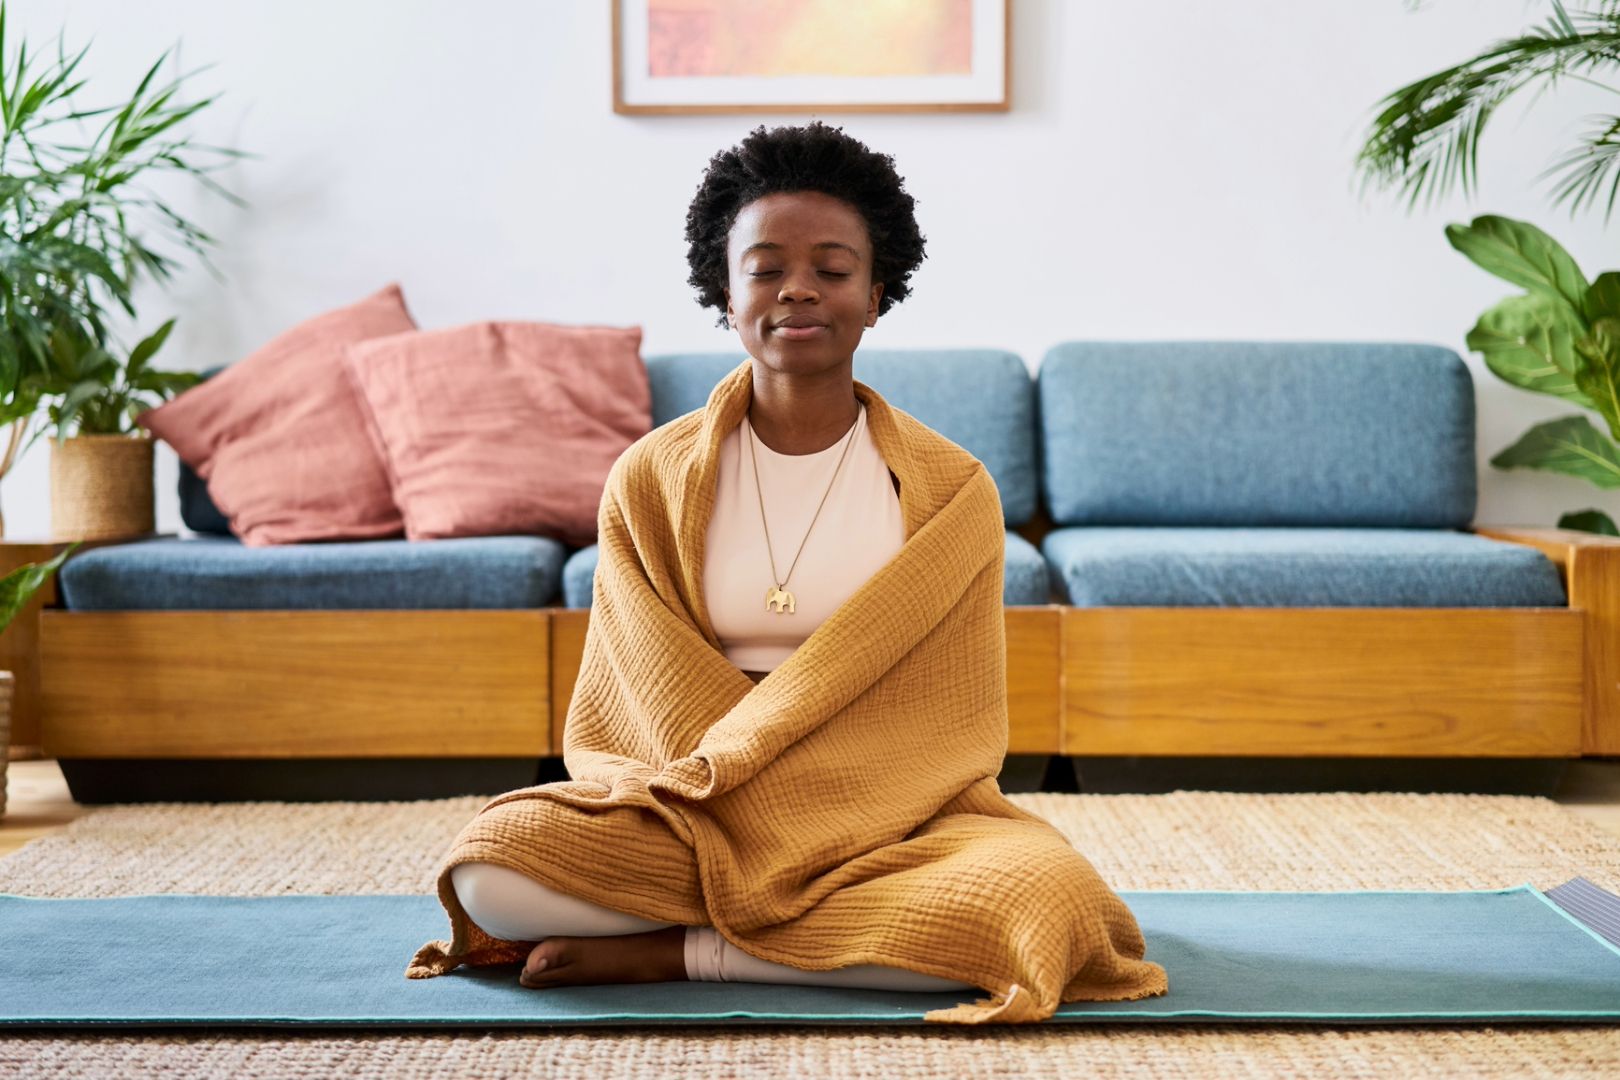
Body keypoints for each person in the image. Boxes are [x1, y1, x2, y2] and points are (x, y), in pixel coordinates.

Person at [448, 120, 975, 993]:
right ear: (725, 295)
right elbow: (632, 699)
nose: (797, 291)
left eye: (832, 271)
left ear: (877, 293)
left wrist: (820, 798)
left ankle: (686, 950)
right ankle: (803, 928)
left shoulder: (951, 491)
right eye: (766, 270)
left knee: (1030, 901)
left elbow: (953, 717)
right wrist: (732, 789)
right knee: (492, 872)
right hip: (696, 802)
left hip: (883, 812)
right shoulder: (649, 478)